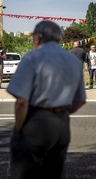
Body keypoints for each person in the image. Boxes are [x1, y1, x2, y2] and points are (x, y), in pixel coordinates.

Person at [7, 20, 86, 179]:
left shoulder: (32, 57)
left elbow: (21, 101)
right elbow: (80, 100)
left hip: (36, 122)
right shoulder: (73, 61)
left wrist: (19, 128)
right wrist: (60, 113)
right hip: (62, 125)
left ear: (38, 37)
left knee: (22, 174)